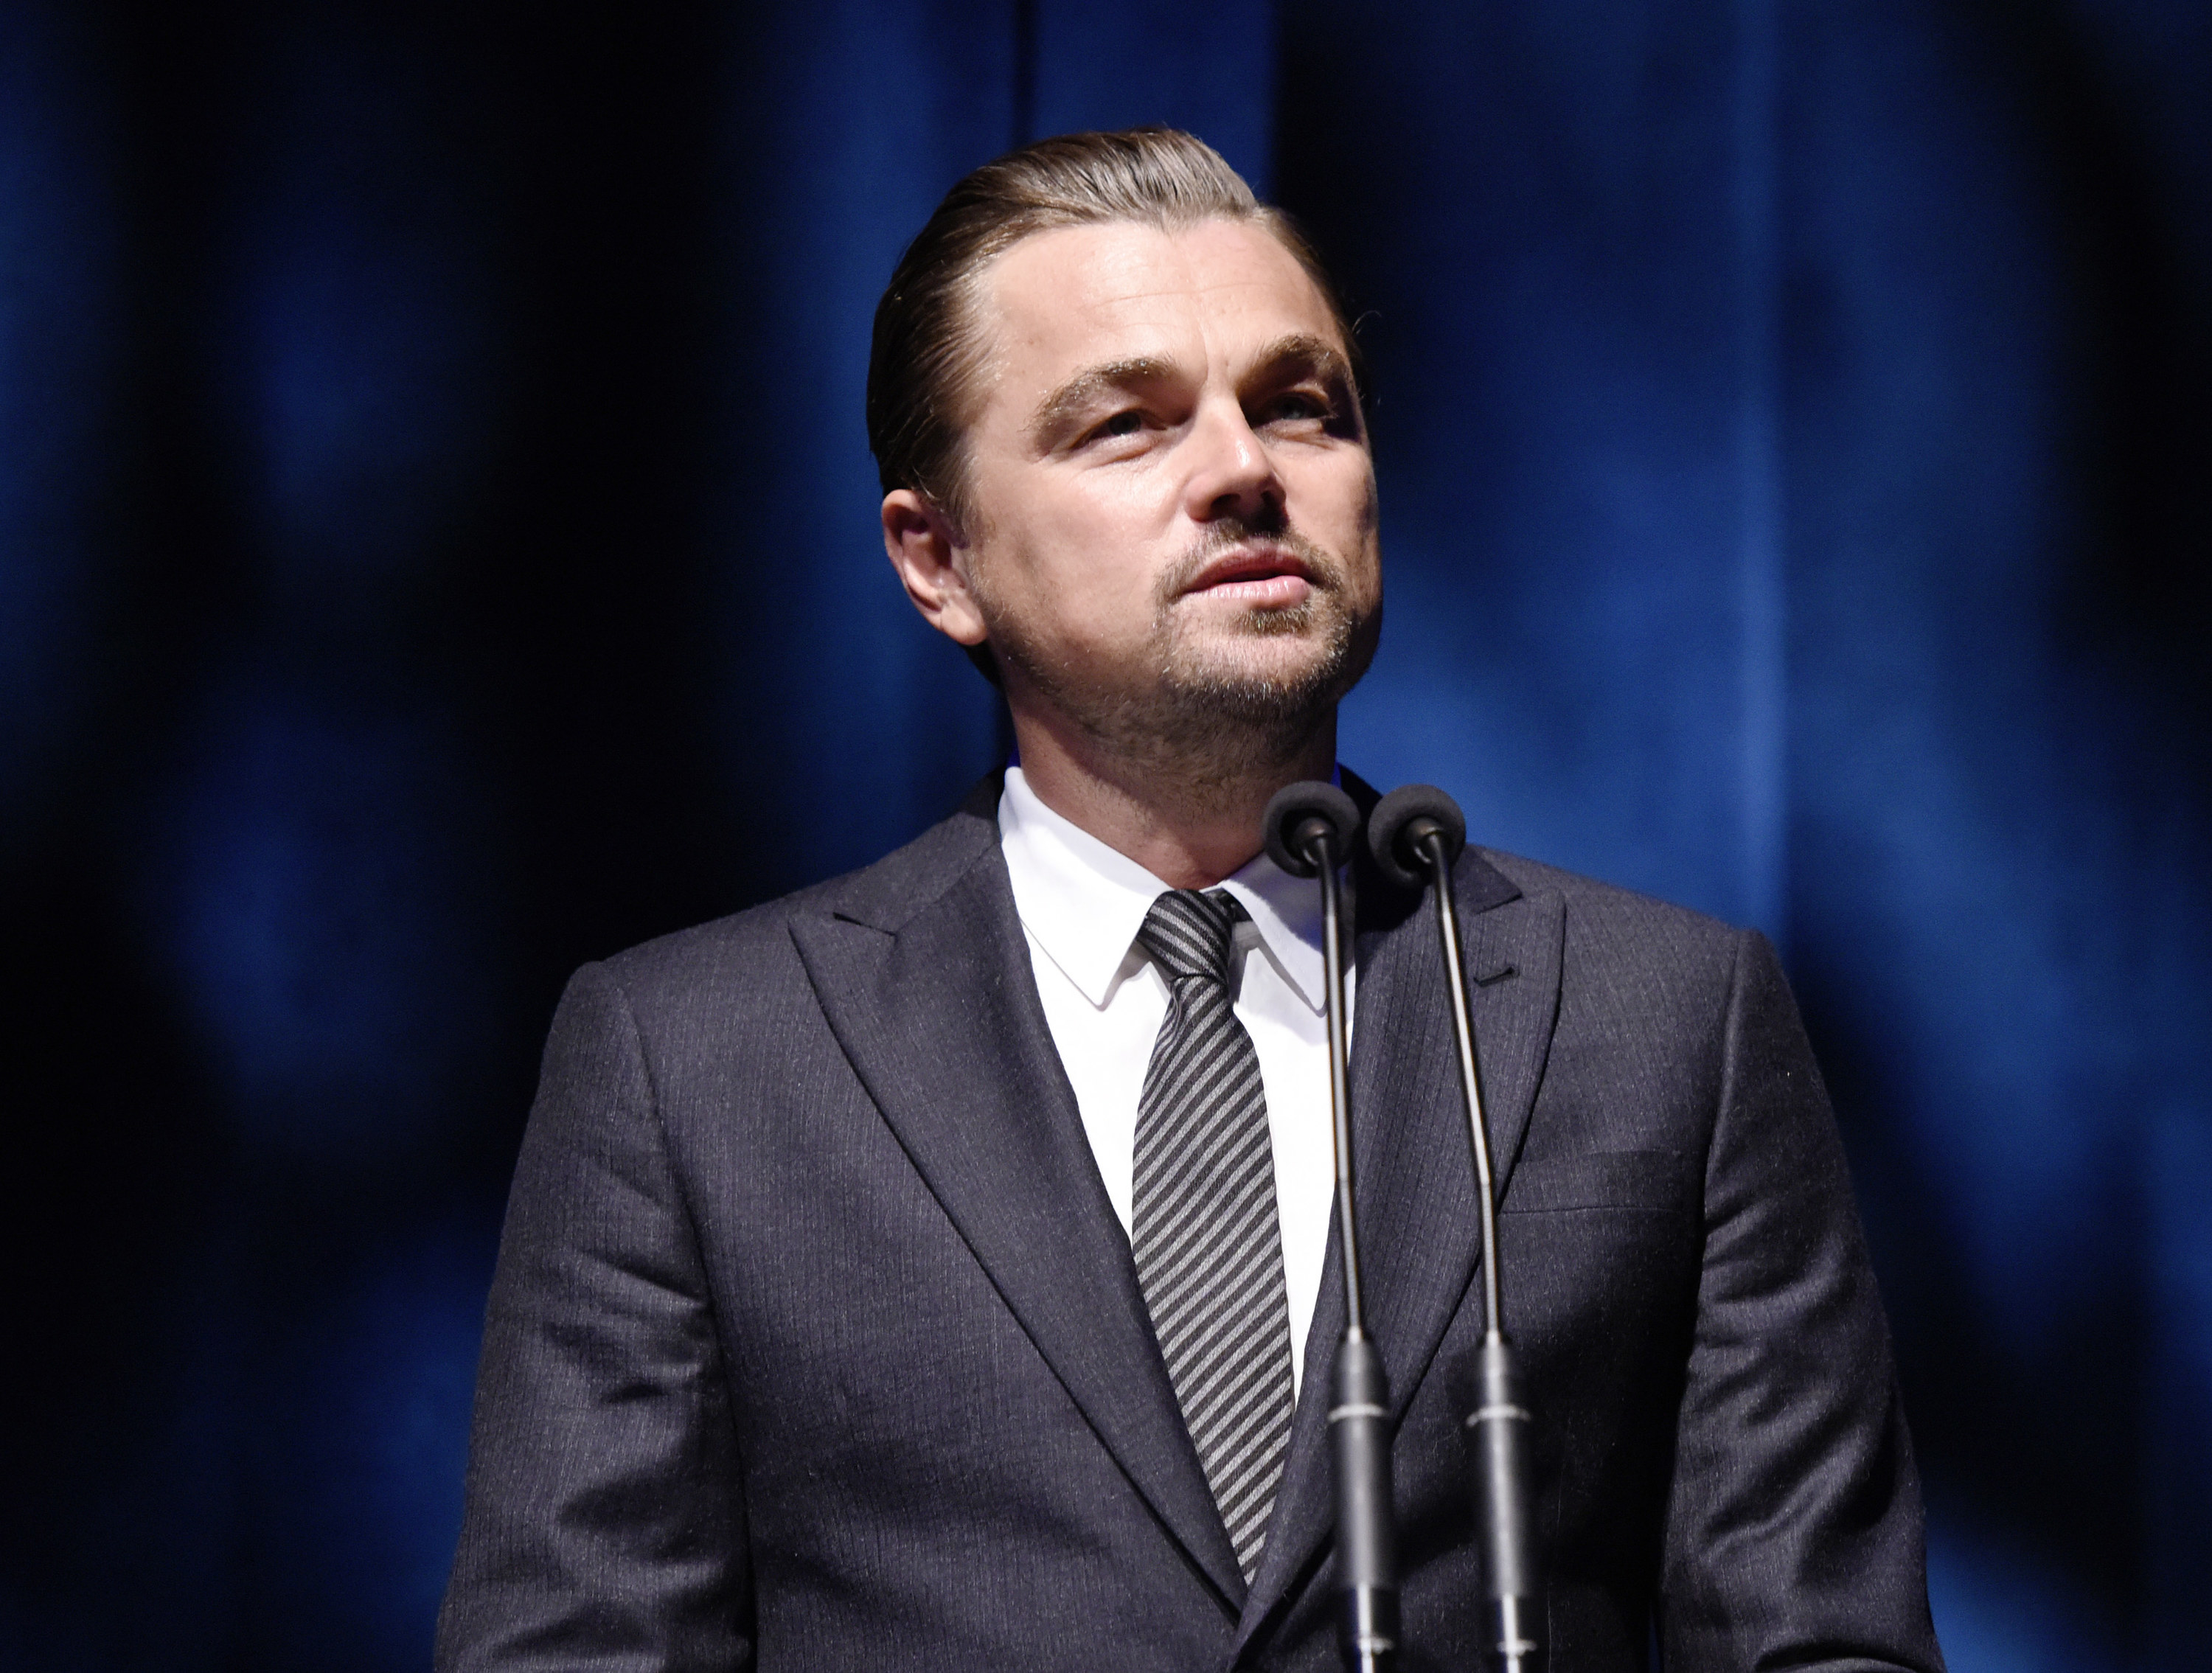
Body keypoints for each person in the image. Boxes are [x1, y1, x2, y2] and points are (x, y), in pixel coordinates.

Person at [437, 128, 1944, 1672]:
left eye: (1301, 406)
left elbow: (1819, 1644)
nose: (1243, 468)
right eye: (1127, 427)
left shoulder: (1666, 1027)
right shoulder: (694, 1066)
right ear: (937, 556)